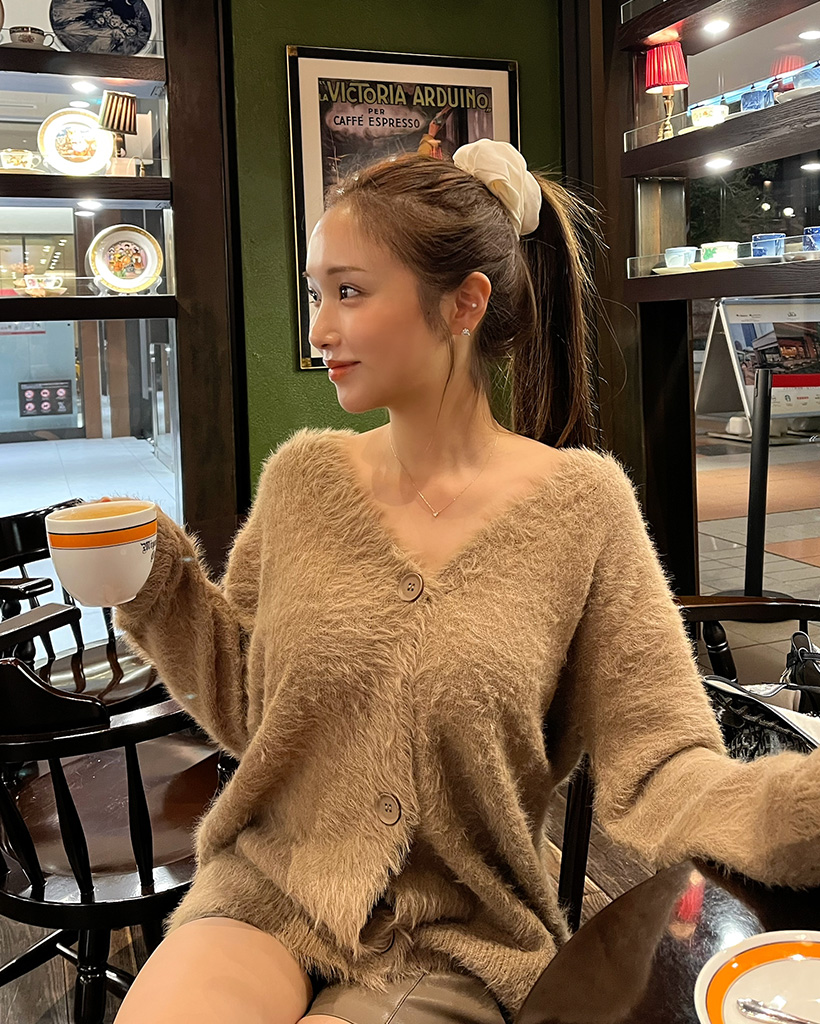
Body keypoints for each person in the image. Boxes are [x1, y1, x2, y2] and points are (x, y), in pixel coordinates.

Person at [112, 140, 820, 1024]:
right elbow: (254, 712)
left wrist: (797, 812)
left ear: (464, 303)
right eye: (316, 294)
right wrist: (154, 583)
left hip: (451, 935)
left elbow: (662, 766)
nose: (320, 330)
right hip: (268, 889)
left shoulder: (583, 509)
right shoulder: (303, 480)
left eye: (349, 292)